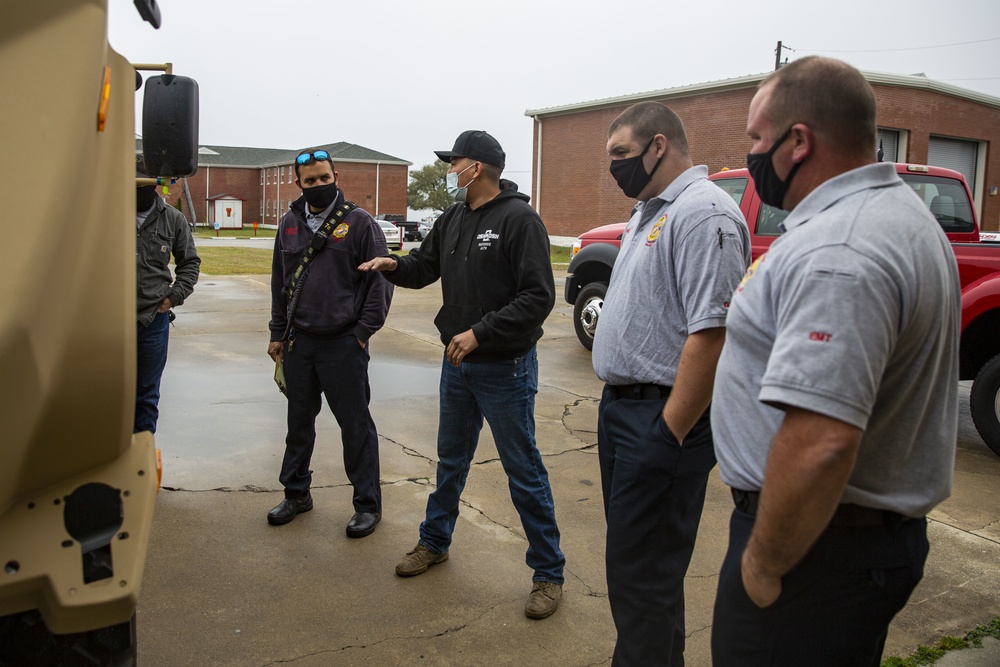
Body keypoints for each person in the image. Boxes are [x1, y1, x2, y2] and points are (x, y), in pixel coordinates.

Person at [710, 56, 961, 666]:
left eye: (756, 139)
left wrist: (765, 564)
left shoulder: (840, 249)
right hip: (850, 546)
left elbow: (822, 439)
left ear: (799, 141)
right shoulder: (900, 216)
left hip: (814, 554)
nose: (751, 154)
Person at [358, 131, 565, 619]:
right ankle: (435, 542)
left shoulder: (519, 220)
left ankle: (549, 573)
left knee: (524, 470)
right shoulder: (453, 217)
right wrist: (392, 264)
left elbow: (538, 297)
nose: (450, 170)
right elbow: (424, 267)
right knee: (451, 460)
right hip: (459, 365)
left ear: (479, 168)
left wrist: (480, 332)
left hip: (505, 368)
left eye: (456, 163)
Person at [593, 102, 750, 665]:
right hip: (624, 414)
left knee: (642, 581)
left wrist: (668, 432)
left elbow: (713, 334)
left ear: (658, 146)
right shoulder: (649, 210)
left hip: (660, 421)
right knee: (643, 577)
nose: (614, 169)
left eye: (621, 155)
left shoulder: (704, 213)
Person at [266, 148, 393, 538]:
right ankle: (296, 493)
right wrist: (276, 332)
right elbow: (280, 283)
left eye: (325, 178)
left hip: (343, 345)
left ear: (335, 175)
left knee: (355, 427)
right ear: (299, 184)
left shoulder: (359, 223)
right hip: (299, 343)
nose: (319, 185)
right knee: (298, 425)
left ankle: (367, 505)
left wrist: (362, 333)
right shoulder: (289, 223)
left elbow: (381, 283)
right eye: (311, 181)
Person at [135, 158, 201, 435]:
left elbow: (190, 262)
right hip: (106, 322)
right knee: (106, 394)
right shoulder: (103, 214)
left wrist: (174, 297)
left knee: (146, 396)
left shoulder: (172, 219)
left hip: (152, 321)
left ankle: (141, 460)